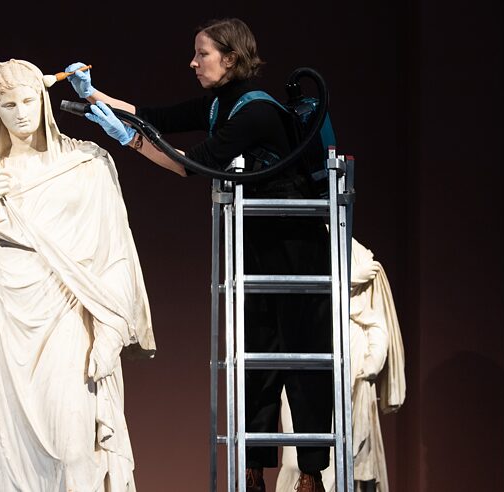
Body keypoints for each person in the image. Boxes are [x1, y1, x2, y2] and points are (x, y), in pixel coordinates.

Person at [67, 18, 333, 492]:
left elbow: (193, 164)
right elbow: (156, 117)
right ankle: (253, 469)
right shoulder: (221, 104)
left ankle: (311, 472)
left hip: (295, 242)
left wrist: (127, 140)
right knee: (257, 353)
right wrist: (94, 96)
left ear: (230, 58)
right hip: (258, 237)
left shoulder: (255, 112)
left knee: (297, 349)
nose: (193, 62)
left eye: (202, 54)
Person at [0, 59, 154, 491]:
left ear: (43, 99)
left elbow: (114, 252)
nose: (21, 113)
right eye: (8, 105)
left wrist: (110, 330)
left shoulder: (86, 164)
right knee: (3, 448)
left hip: (65, 306)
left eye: (28, 101)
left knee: (72, 443)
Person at [276, 238, 405, 492]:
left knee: (343, 460)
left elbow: (377, 324)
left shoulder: (358, 257)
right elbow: (298, 294)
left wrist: (373, 362)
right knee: (295, 458)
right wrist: (350, 278)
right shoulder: (300, 253)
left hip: (350, 379)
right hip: (303, 371)